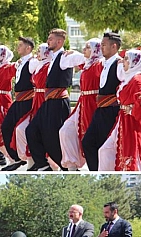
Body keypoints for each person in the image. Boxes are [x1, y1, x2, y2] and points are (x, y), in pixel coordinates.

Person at [26, 29, 83, 171]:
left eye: (51, 39)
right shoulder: (53, 58)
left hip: (58, 102)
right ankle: (43, 165)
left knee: (52, 138)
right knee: (31, 130)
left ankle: (66, 167)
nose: (48, 41)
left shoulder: (64, 57)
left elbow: (82, 59)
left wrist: (74, 52)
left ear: (59, 41)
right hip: (48, 102)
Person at [98, 49, 141, 171]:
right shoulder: (128, 78)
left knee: (133, 152)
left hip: (133, 122)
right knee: (106, 150)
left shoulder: (137, 80)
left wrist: (132, 110)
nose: (123, 61)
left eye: (126, 59)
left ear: (134, 62)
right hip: (123, 119)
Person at [59, 39, 103, 170]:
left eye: (88, 47)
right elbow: (79, 59)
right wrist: (75, 52)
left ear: (96, 50)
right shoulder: (88, 64)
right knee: (65, 130)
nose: (85, 49)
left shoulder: (99, 64)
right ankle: (72, 166)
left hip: (93, 103)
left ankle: (94, 168)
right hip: (82, 103)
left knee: (91, 138)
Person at [82, 32, 123, 171]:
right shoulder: (104, 64)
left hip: (111, 111)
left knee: (105, 146)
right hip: (100, 110)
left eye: (104, 45)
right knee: (88, 142)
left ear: (114, 46)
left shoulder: (119, 64)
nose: (101, 48)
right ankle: (96, 170)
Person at [10, 43, 51, 170]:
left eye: (40, 51)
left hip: (44, 99)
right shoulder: (39, 65)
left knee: (41, 132)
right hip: (36, 99)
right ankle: (31, 161)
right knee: (22, 129)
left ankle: (48, 163)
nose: (37, 53)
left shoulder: (49, 65)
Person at [0, 37, 37, 171]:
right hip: (18, 101)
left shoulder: (33, 62)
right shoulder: (20, 62)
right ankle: (16, 158)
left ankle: (31, 161)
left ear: (28, 48)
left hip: (28, 100)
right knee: (6, 127)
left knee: (23, 130)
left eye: (21, 45)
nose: (18, 47)